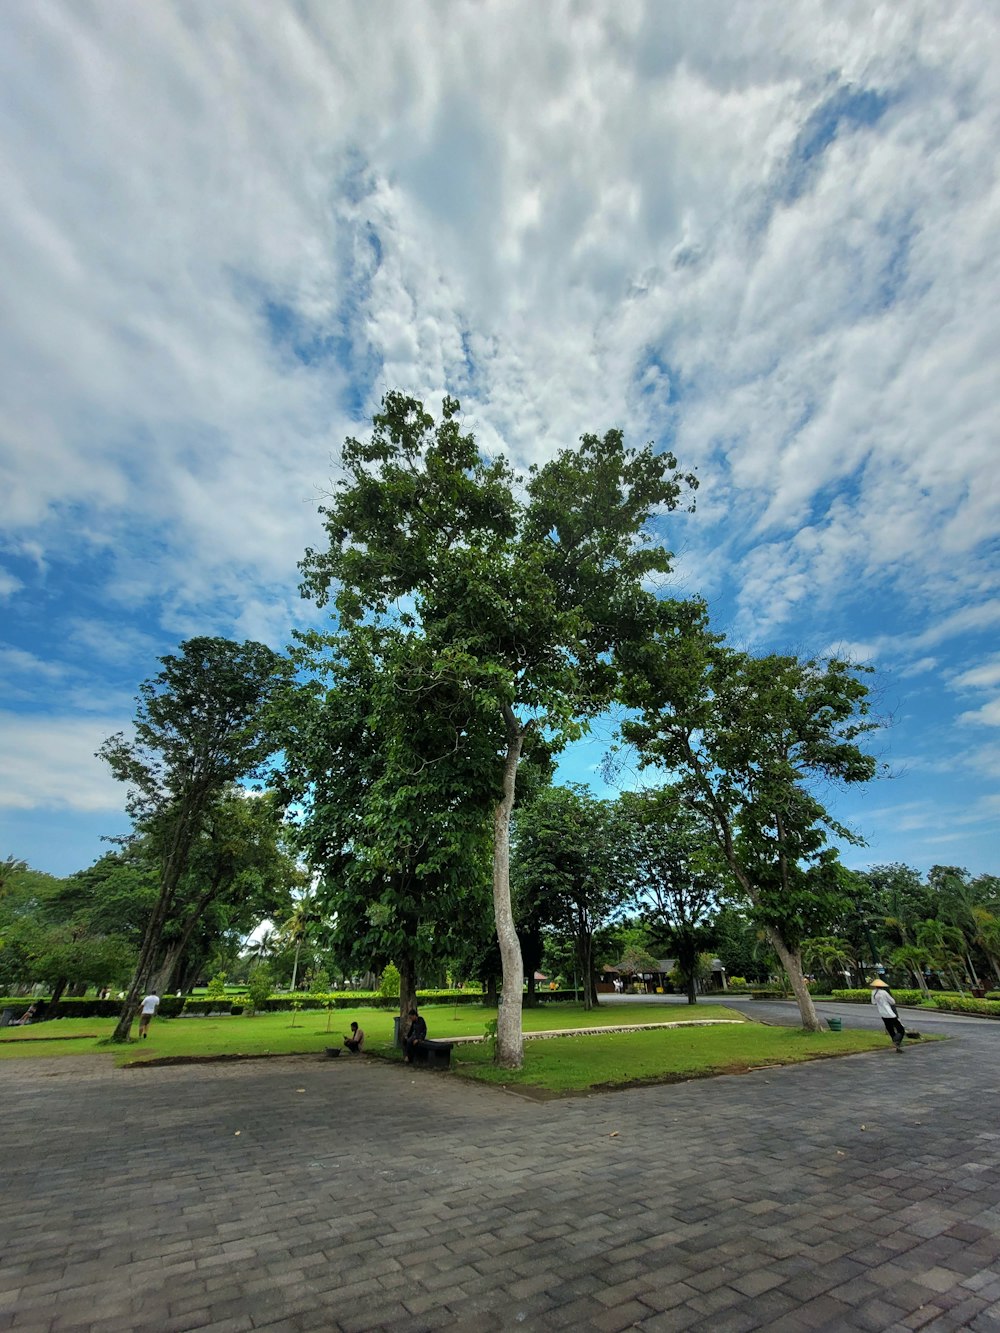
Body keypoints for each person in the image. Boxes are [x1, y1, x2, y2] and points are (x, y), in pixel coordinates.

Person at [870, 977, 906, 1052]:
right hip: (890, 1014)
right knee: (901, 1029)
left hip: (882, 1014)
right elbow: (892, 1002)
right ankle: (897, 1041)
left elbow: (873, 1002)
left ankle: (896, 1045)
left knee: (891, 1030)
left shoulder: (873, 992)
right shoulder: (884, 992)